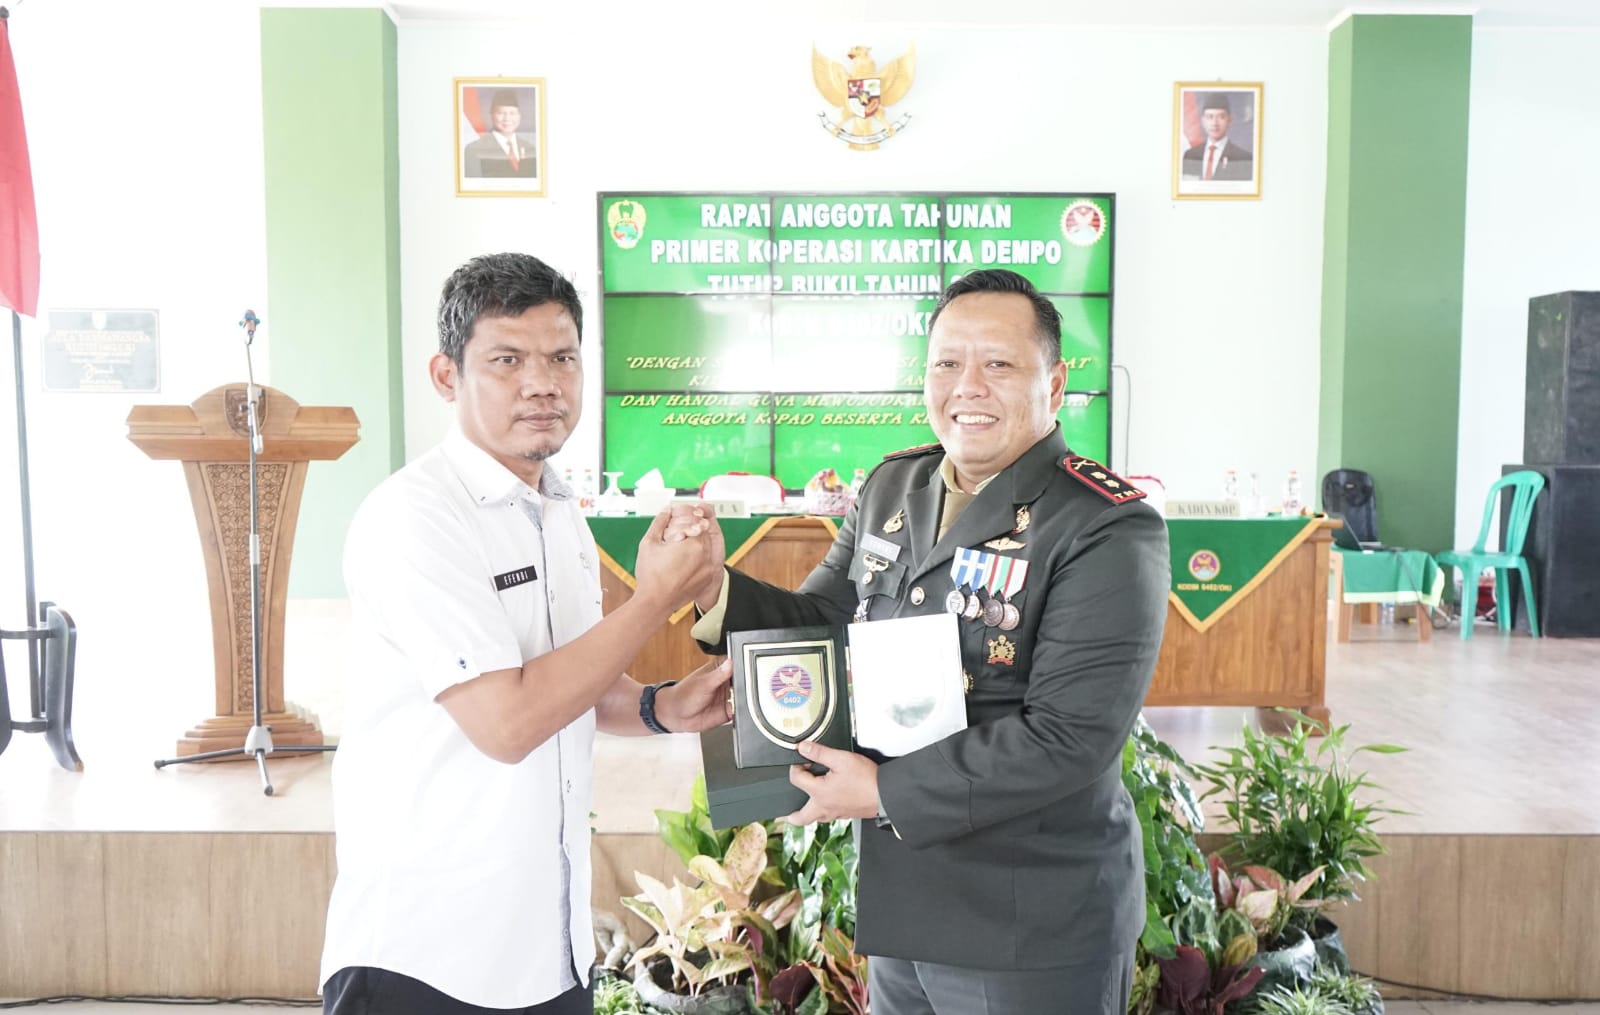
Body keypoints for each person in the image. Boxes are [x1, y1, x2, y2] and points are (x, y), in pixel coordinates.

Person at [673, 268, 1171, 1015]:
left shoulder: (1103, 524)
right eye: (947, 363)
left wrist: (881, 791)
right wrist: (714, 588)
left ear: (1055, 382)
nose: (967, 386)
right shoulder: (893, 487)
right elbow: (823, 621)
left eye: (998, 363)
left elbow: (1070, 736)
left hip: (1028, 919)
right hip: (905, 903)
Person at [320, 252, 731, 1015]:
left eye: (562, 358)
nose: (543, 383)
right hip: (425, 955)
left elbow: (570, 682)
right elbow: (508, 721)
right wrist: (653, 600)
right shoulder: (415, 517)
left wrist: (661, 706)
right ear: (446, 374)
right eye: (507, 359)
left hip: (548, 948)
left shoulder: (557, 507)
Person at [463, 89, 538, 178]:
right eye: (501, 113)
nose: (507, 118)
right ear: (491, 115)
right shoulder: (473, 149)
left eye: (512, 113)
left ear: (519, 116)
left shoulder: (530, 148)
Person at [1181, 92, 1253, 181]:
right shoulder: (1190, 155)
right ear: (1203, 121)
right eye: (1210, 117)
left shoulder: (1243, 158)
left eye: (1221, 117)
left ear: (1229, 121)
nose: (1215, 123)